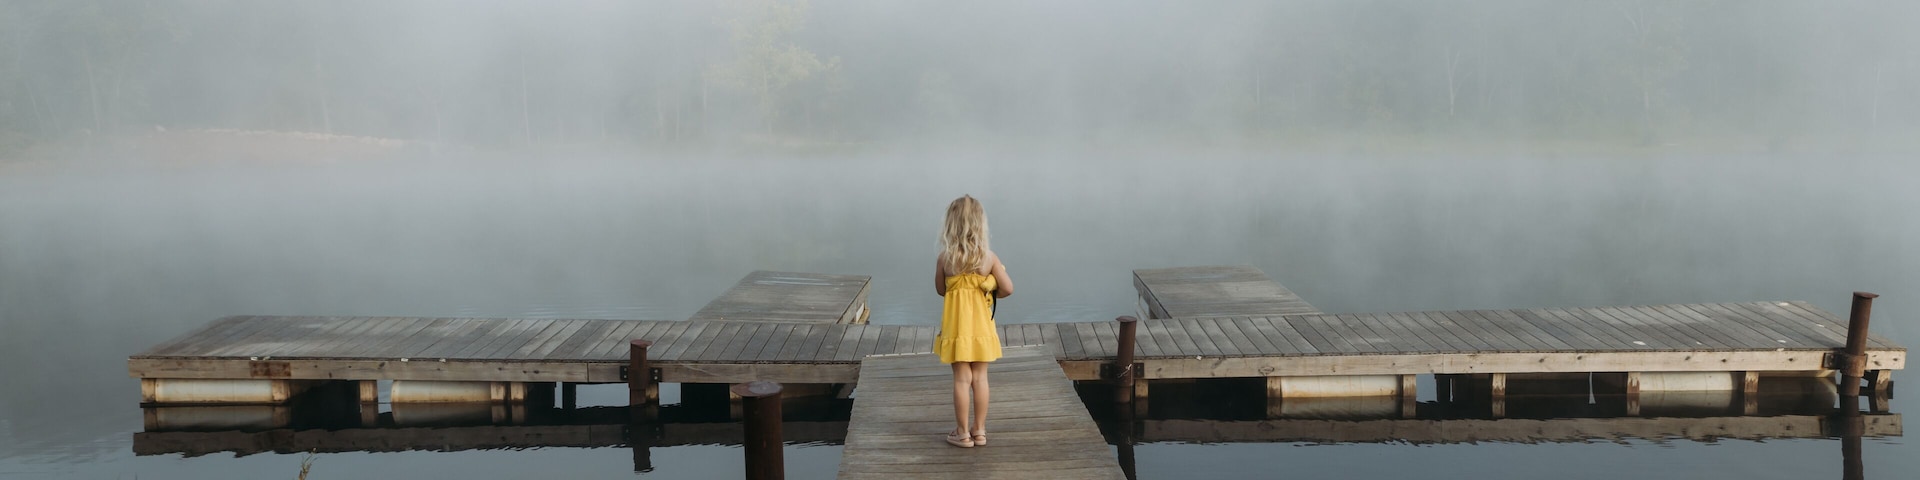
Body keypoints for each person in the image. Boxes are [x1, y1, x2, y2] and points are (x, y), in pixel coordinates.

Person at [933, 195, 1012, 448]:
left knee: (961, 379)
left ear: (950, 226)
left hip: (957, 328)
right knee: (980, 378)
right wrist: (991, 286)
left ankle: (962, 433)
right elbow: (1008, 289)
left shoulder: (945, 258)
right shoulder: (988, 258)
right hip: (981, 328)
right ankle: (980, 431)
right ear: (980, 225)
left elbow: (940, 290)